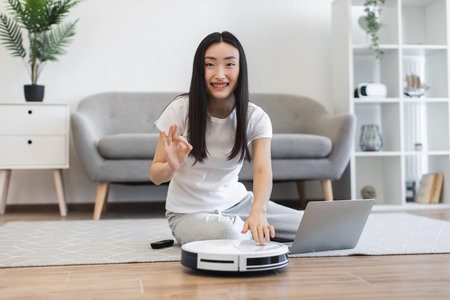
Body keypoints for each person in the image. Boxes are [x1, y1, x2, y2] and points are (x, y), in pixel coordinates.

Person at [150, 31, 302, 246]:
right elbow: (156, 175)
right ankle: (246, 230)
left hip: (238, 204)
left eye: (229, 65)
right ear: (199, 70)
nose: (219, 74)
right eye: (210, 65)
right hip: (188, 213)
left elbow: (262, 170)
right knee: (229, 234)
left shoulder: (255, 117)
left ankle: (249, 227)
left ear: (241, 70)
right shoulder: (179, 110)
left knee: (311, 225)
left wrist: (258, 211)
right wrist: (171, 167)